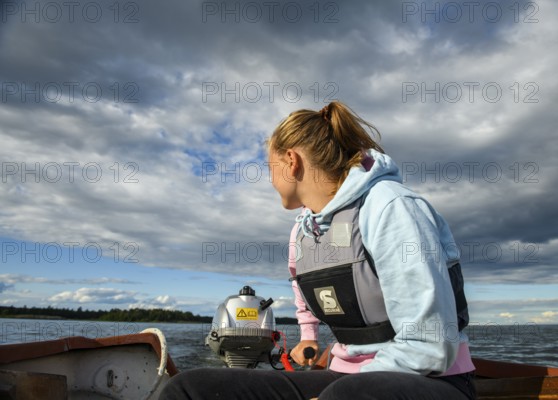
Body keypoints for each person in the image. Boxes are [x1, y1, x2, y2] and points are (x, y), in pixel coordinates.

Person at [159, 101, 477, 400]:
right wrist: (308, 336)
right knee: (191, 388)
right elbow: (304, 289)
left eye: (270, 167)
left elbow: (431, 345)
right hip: (345, 378)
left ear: (291, 161)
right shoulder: (303, 230)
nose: (269, 181)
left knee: (342, 396)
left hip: (435, 381)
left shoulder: (390, 207)